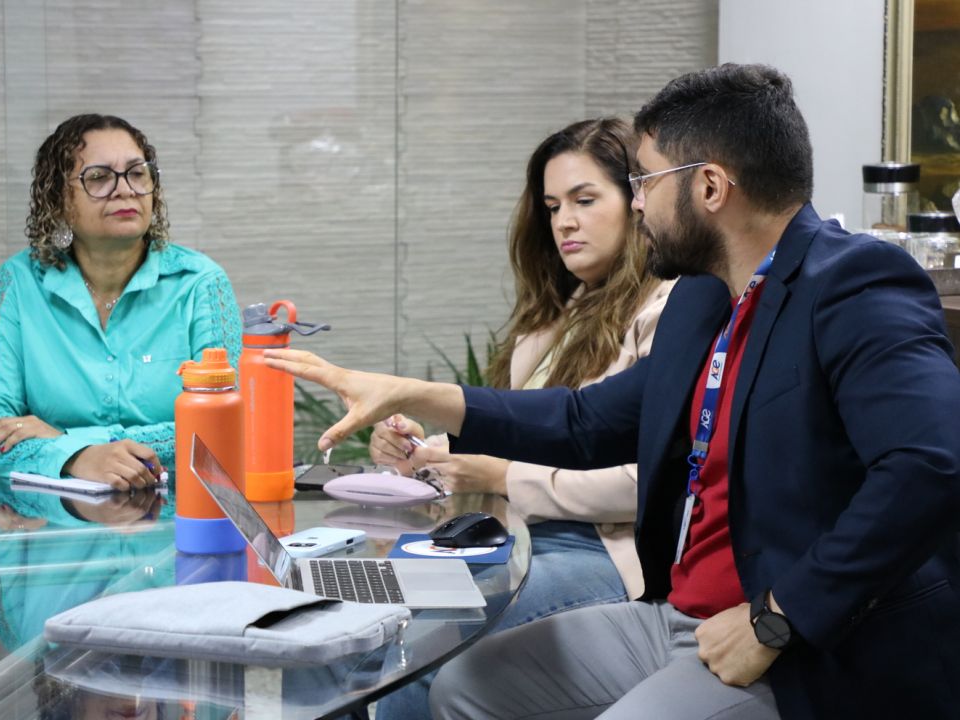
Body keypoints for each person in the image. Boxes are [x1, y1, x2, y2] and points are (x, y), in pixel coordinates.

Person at [264, 63, 960, 719]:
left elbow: (931, 464)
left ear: (710, 188)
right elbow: (587, 421)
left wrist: (778, 618)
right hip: (679, 617)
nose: (637, 203)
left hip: (800, 647)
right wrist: (412, 393)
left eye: (646, 181)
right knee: (467, 688)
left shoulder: (855, 283)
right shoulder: (704, 299)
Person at [369, 117, 671, 720]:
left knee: (415, 656)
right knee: (365, 621)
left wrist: (501, 475)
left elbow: (649, 483)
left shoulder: (667, 308)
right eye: (553, 205)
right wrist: (428, 452)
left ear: (638, 202)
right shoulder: (555, 321)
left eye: (586, 200)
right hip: (518, 540)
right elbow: (528, 443)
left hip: (606, 552)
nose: (564, 221)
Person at [0, 114, 241, 488]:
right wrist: (79, 459)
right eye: (99, 177)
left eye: (137, 173)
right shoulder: (19, 283)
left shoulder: (200, 283)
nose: (125, 189)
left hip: (181, 522)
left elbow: (228, 426)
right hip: (54, 529)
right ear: (58, 200)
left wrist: (68, 445)